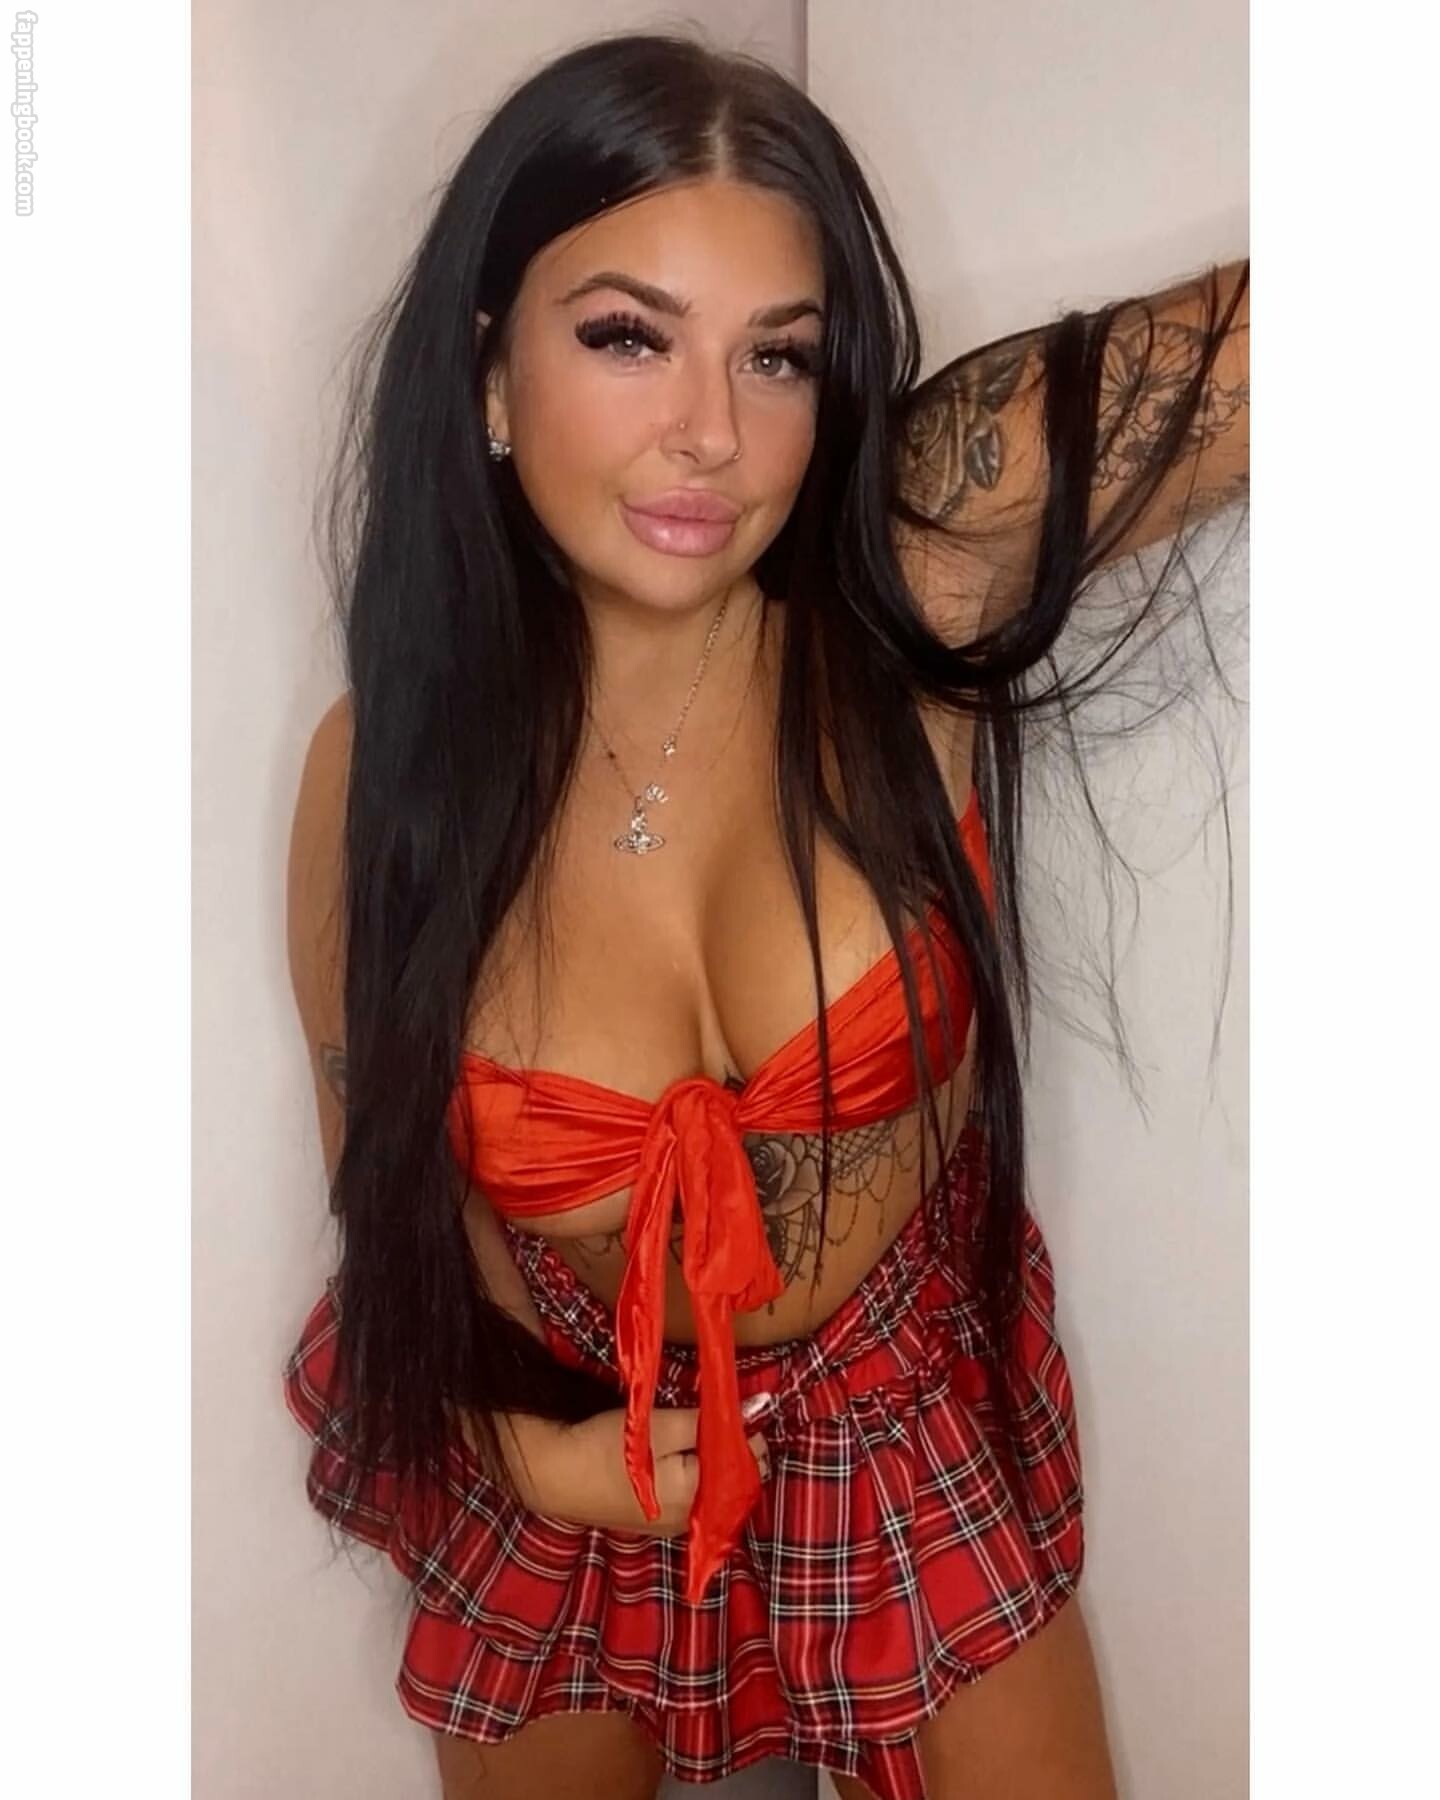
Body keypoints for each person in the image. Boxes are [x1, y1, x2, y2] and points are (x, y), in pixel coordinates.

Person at [282, 30, 1248, 1800]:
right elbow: (388, 1185)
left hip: (899, 1406)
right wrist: (528, 1453)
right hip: (572, 1429)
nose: (713, 434)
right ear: (490, 373)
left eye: (778, 355)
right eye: (627, 336)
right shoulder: (388, 766)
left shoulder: (908, 587)